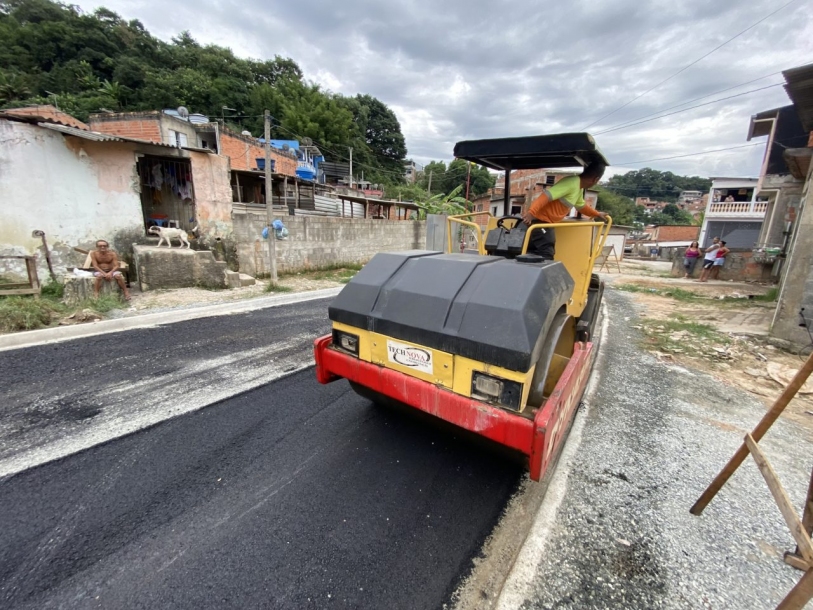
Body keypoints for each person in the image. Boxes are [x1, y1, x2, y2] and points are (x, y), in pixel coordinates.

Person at [521, 162, 609, 259]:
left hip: (546, 223)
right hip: (540, 222)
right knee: (547, 253)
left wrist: (597, 214)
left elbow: (581, 206)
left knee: (536, 252)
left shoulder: (578, 188)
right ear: (596, 179)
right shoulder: (571, 183)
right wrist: (531, 212)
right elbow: (546, 195)